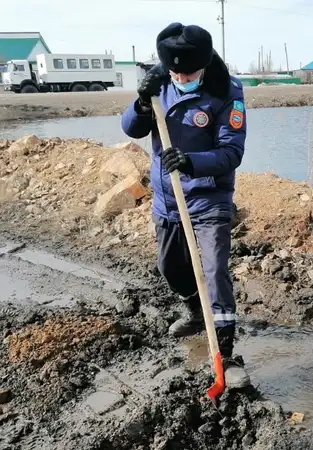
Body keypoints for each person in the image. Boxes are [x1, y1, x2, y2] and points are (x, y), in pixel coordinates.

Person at [120, 22, 249, 388]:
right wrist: (141, 104)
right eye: (176, 73)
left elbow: (231, 153)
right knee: (170, 267)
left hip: (209, 196)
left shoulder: (226, 91)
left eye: (189, 73)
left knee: (214, 271)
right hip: (168, 198)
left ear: (203, 66)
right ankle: (195, 309)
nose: (181, 78)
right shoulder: (158, 83)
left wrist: (191, 161)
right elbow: (131, 129)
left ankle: (225, 354)